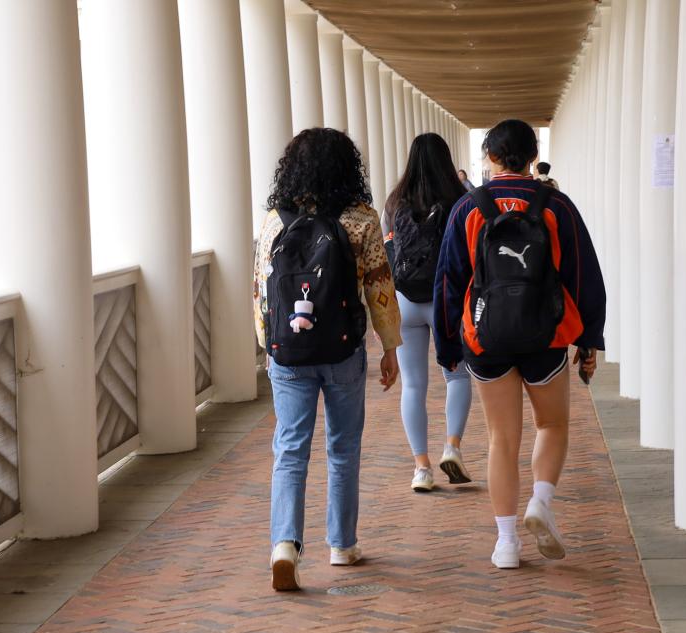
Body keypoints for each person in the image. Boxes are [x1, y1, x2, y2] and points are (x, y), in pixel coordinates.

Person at [434, 119, 605, 570]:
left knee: (500, 438)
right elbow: (583, 274)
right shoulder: (557, 206)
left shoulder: (468, 208)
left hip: (485, 335)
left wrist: (447, 343)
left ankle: (506, 543)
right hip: (545, 334)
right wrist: (589, 337)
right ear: (533, 156)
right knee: (552, 425)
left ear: (489, 156)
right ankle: (541, 502)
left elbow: (449, 281)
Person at [254, 128, 402, 591]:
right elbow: (379, 287)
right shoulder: (360, 218)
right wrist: (390, 347)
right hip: (342, 349)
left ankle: (284, 544)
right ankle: (341, 543)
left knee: (290, 448)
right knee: (343, 447)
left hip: (289, 352)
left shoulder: (274, 221)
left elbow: (261, 290)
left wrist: (269, 346)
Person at [382, 134, 473, 492]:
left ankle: (421, 468)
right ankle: (452, 447)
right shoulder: (459, 200)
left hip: (405, 301)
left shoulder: (394, 202)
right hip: (446, 299)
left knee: (414, 384)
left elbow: (387, 256)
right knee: (457, 376)